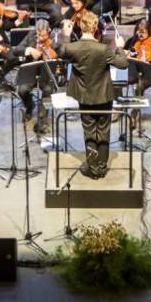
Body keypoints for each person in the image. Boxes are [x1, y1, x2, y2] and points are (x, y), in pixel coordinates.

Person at [57, 11, 128, 178]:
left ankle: (92, 167)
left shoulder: (73, 48)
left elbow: (61, 51)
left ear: (80, 26)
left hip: (84, 96)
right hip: (104, 96)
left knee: (89, 131)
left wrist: (66, 35)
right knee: (104, 130)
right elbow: (123, 64)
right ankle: (102, 168)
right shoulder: (104, 49)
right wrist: (120, 48)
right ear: (95, 27)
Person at [17, 19, 62, 135]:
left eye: (43, 35)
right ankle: (29, 105)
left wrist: (51, 46)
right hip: (31, 72)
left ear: (49, 31)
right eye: (38, 34)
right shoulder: (31, 35)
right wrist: (29, 49)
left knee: (48, 89)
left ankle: (42, 120)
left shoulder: (54, 36)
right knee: (22, 90)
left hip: (47, 73)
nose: (40, 38)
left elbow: (61, 51)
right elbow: (17, 50)